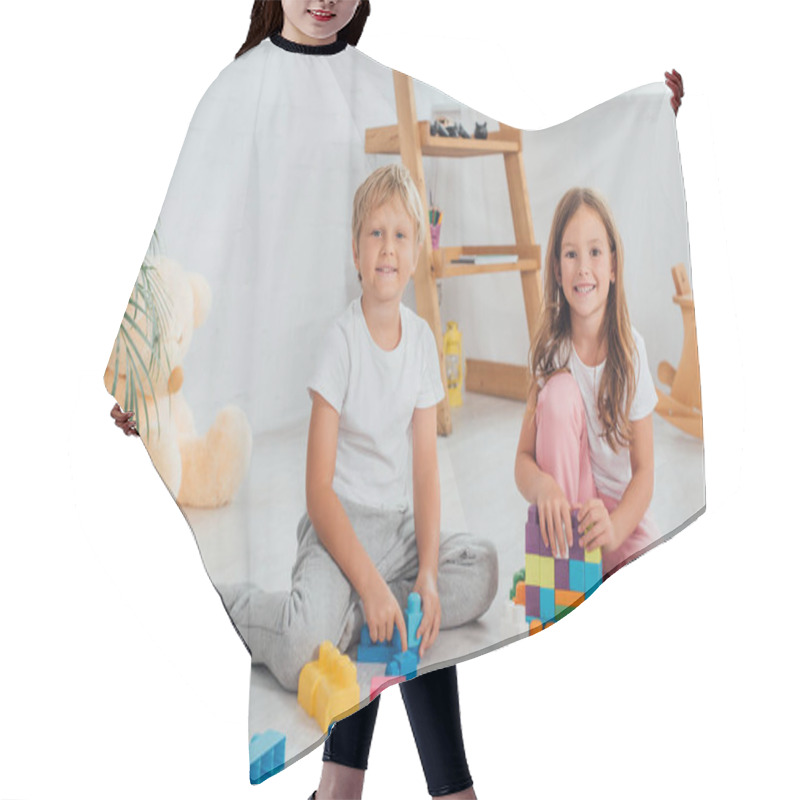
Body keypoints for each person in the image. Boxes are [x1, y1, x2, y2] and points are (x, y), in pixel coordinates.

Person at [514, 185, 659, 578]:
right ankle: (563, 569)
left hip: (618, 517)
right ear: (557, 270)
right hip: (570, 514)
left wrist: (615, 529)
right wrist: (544, 488)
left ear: (613, 266)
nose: (583, 267)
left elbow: (644, 472)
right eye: (571, 254)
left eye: (595, 252)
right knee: (558, 394)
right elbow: (522, 460)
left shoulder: (631, 352)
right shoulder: (552, 353)